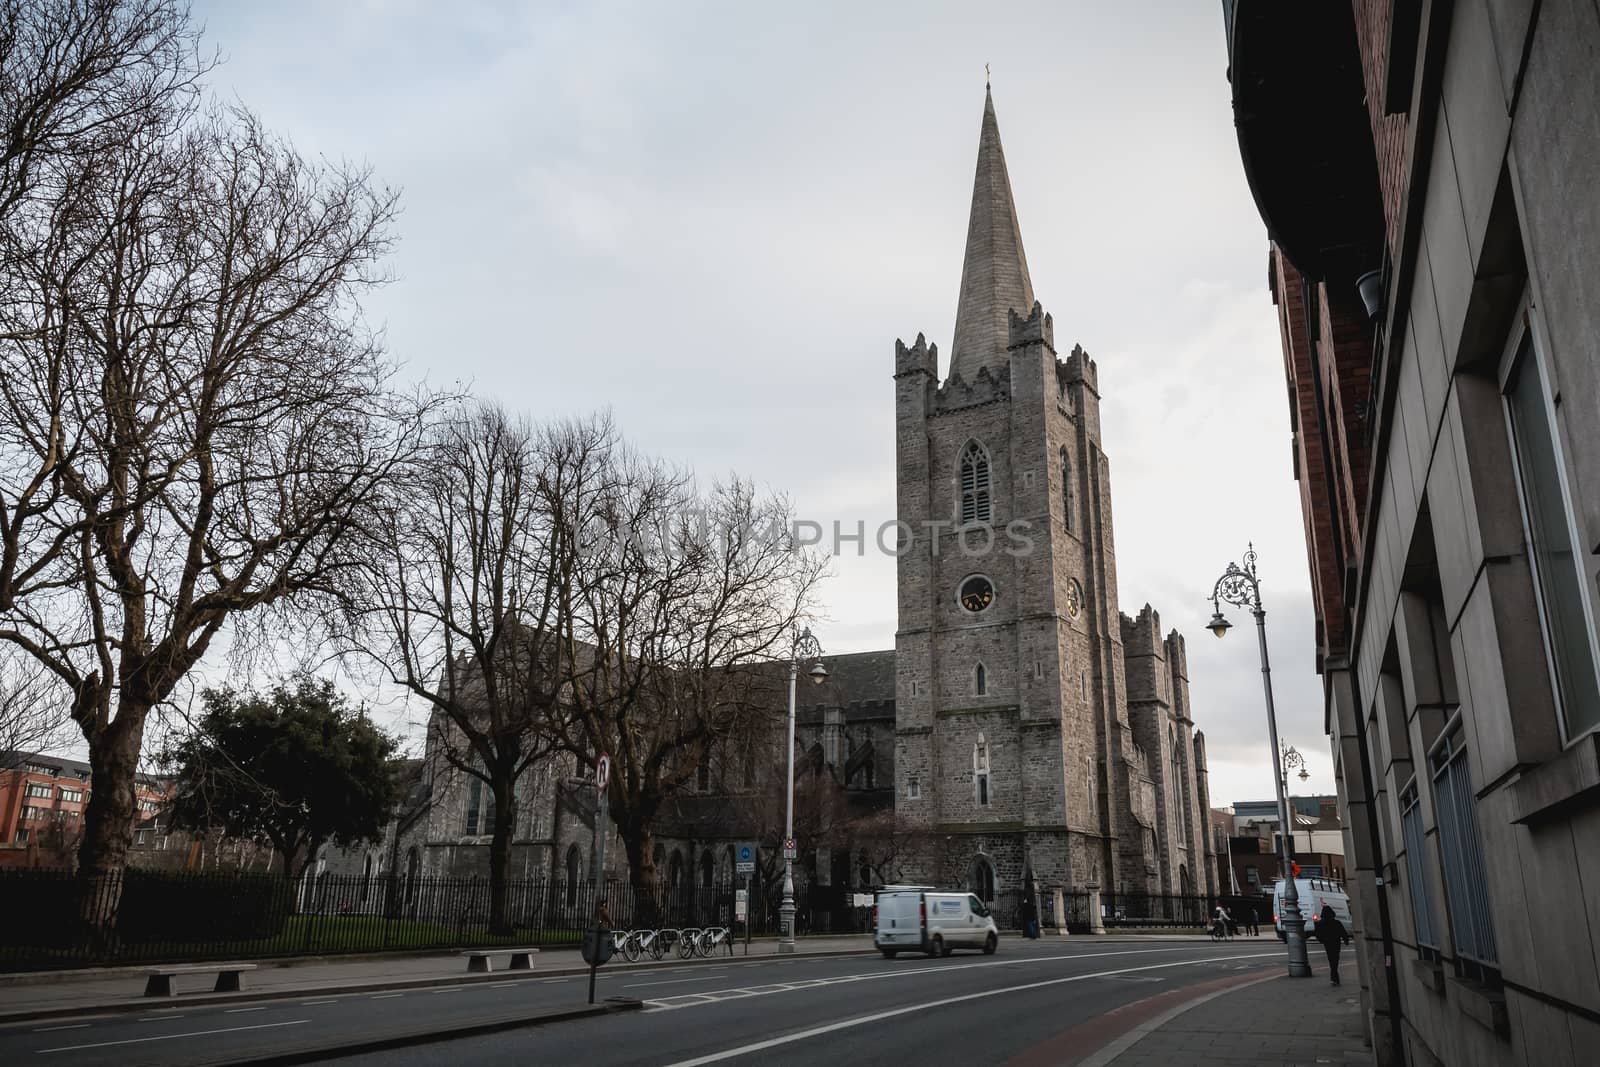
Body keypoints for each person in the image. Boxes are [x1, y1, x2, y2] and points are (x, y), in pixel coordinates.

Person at [1314, 905, 1348, 985]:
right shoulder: (1336, 922)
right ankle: (1334, 976)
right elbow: (1343, 932)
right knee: (1335, 959)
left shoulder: (1320, 923)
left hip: (1327, 943)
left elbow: (1317, 934)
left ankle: (1334, 977)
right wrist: (1345, 940)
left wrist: (1321, 940)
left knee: (1331, 959)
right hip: (1336, 942)